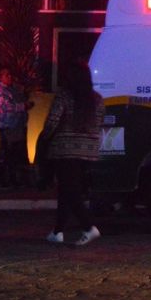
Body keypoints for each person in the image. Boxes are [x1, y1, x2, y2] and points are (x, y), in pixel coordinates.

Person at [42, 61, 104, 245]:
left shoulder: (64, 96)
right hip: (88, 152)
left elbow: (53, 121)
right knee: (66, 189)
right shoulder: (97, 99)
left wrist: (44, 138)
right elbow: (99, 123)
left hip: (66, 150)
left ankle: (89, 227)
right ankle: (58, 231)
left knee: (70, 190)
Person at [0, 65, 34, 189]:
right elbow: (6, 106)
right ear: (0, 77)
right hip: (7, 126)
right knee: (6, 154)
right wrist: (23, 106)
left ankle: (12, 180)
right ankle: (1, 181)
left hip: (16, 125)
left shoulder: (11, 89)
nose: (10, 77)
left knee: (14, 155)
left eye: (10, 74)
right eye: (6, 75)